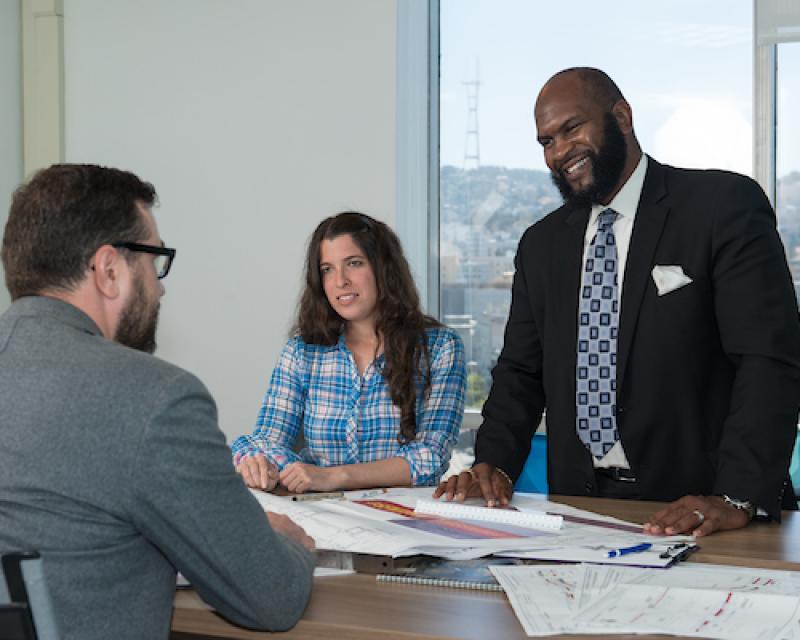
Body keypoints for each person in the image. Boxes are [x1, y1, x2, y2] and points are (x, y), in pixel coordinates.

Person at [436, 67, 800, 537]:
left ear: (622, 116)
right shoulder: (541, 244)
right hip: (579, 509)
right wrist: (495, 464)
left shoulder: (720, 206)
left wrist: (738, 495)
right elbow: (521, 373)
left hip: (706, 512)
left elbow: (768, 359)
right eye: (546, 141)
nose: (559, 151)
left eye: (572, 128)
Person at [0, 164, 315, 640]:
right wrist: (287, 544)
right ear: (109, 270)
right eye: (153, 259)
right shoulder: (153, 397)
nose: (160, 284)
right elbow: (270, 596)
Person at [232, 211, 466, 494]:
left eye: (353, 264)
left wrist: (333, 476)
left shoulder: (440, 348)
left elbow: (430, 457)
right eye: (327, 269)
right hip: (318, 515)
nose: (340, 280)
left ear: (384, 269)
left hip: (400, 519)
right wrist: (261, 464)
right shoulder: (302, 352)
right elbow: (267, 441)